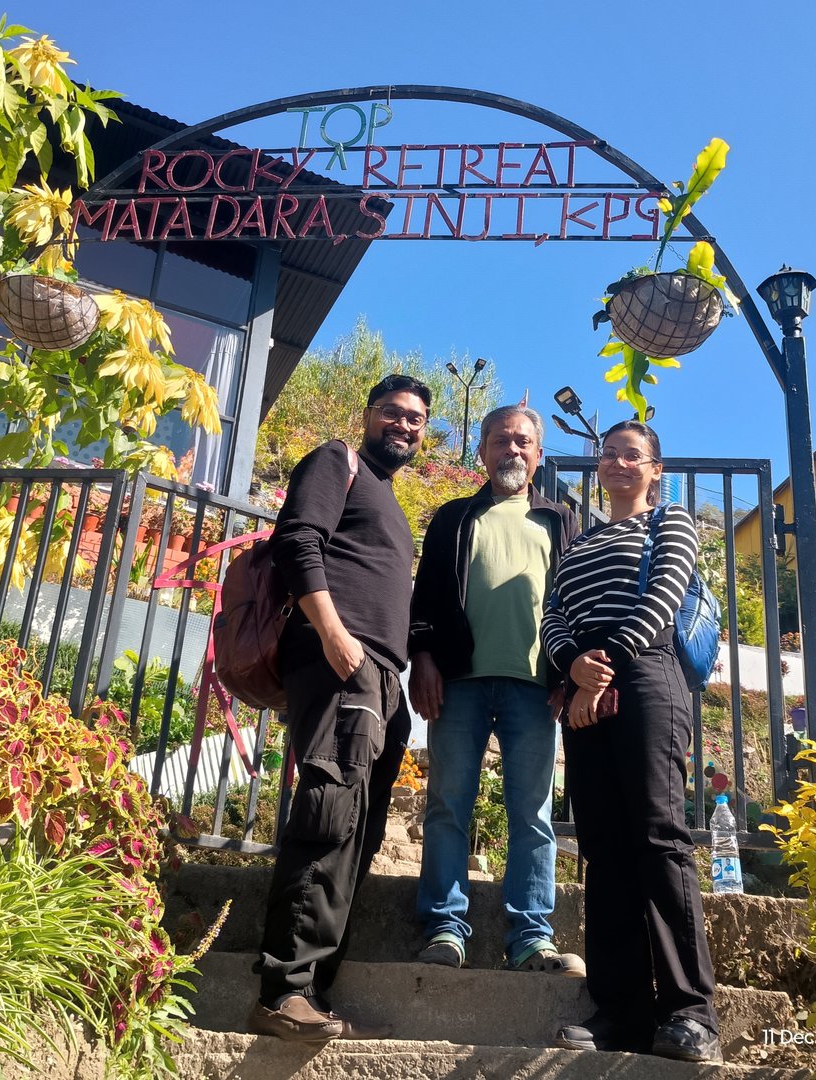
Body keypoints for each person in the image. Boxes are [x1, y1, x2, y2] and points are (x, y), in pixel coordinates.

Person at [247, 374, 431, 1043]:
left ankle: (314, 988)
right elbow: (298, 541)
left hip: (380, 677)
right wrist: (333, 635)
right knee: (329, 815)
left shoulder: (386, 497)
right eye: (392, 412)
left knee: (359, 830)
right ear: (367, 414)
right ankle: (282, 989)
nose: (403, 425)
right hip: (341, 661)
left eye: (416, 419)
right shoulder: (336, 460)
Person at [540, 420, 722, 1064]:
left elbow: (663, 597)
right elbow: (553, 613)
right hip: (584, 684)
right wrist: (573, 667)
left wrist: (602, 667)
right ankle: (620, 1012)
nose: (619, 462)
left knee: (658, 835)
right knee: (604, 847)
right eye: (610, 453)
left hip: (645, 674)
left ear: (655, 470)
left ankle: (690, 1013)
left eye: (633, 455)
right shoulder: (580, 543)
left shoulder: (670, 523)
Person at [408, 404, 584, 975]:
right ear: (482, 450)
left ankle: (531, 936)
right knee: (447, 806)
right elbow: (425, 596)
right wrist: (423, 658)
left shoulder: (561, 521)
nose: (512, 449)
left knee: (532, 813)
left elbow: (575, 603)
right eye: (501, 440)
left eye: (523, 441)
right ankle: (444, 928)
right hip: (457, 682)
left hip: (535, 689)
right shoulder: (453, 518)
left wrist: (566, 674)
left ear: (538, 454)